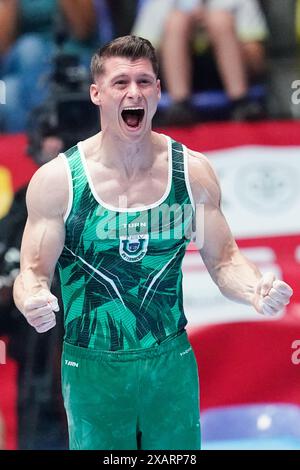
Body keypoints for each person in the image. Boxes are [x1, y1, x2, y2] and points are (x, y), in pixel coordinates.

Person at [13, 35, 293, 451]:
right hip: (93, 368)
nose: (134, 93)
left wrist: (256, 289)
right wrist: (32, 299)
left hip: (170, 362)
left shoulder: (192, 173)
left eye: (145, 82)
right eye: (121, 82)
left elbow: (225, 261)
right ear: (97, 93)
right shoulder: (59, 182)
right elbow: (32, 273)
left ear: (159, 91)